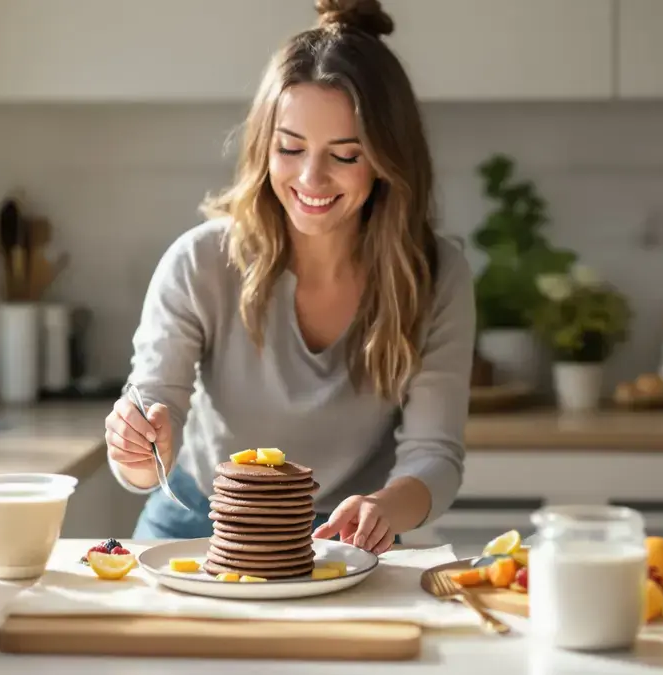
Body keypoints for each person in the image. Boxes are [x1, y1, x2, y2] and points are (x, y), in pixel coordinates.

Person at [103, 0, 475, 555]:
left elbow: (435, 455)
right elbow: (153, 413)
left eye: (345, 156)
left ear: (385, 162)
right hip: (199, 522)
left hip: (347, 536)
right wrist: (135, 449)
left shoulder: (435, 275)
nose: (310, 178)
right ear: (264, 146)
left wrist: (384, 507)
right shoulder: (199, 262)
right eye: (291, 148)